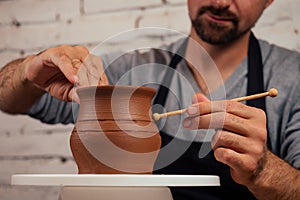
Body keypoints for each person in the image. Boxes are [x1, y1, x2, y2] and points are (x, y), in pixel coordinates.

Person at [0, 0, 300, 199]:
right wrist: (29, 72)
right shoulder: (131, 70)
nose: (221, 1)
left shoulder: (292, 78)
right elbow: (9, 101)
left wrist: (264, 170)